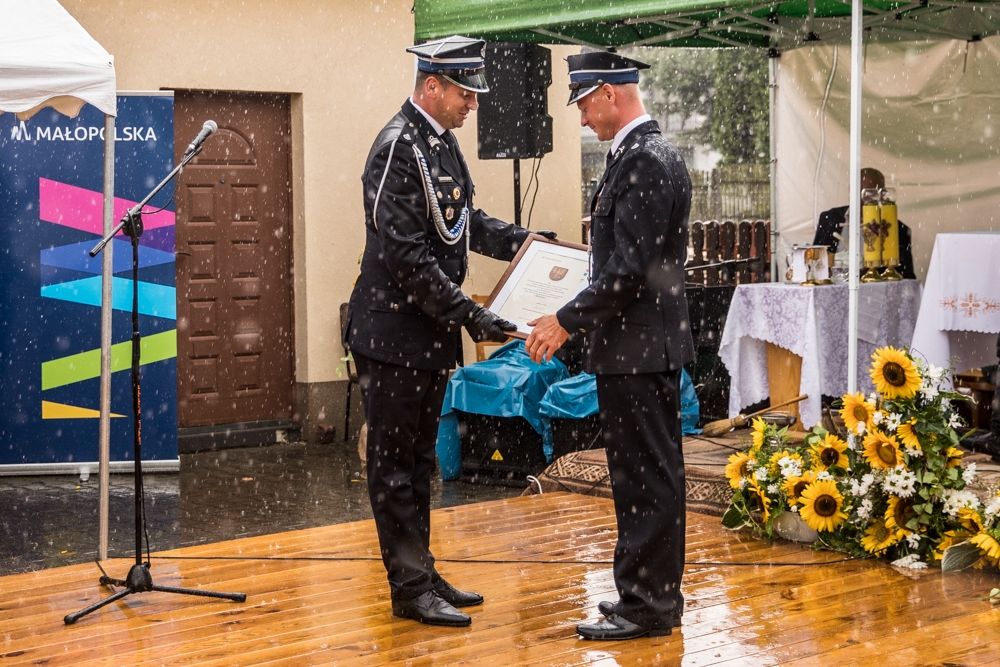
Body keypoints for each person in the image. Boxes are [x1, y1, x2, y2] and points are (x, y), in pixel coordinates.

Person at [346, 35, 553, 627]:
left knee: (420, 462)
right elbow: (407, 258)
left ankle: (422, 569)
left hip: (425, 335)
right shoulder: (397, 148)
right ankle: (408, 588)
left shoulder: (440, 144)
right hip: (393, 334)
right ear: (432, 85)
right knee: (393, 467)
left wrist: (524, 243)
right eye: (465, 92)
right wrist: (473, 315)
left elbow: (463, 222)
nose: (474, 103)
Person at [525, 51, 695, 640]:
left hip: (639, 348)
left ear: (608, 93)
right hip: (637, 346)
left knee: (646, 476)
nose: (581, 119)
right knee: (639, 474)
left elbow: (628, 270)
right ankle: (642, 592)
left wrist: (565, 320)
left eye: (583, 104)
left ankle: (649, 604)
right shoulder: (643, 154)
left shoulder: (645, 159)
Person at [814, 167, 916, 279]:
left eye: (874, 194)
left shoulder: (895, 228)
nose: (868, 200)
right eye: (864, 193)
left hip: (876, 288)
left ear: (883, 195)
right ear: (851, 192)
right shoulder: (830, 219)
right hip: (834, 285)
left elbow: (906, 276)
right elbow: (816, 262)